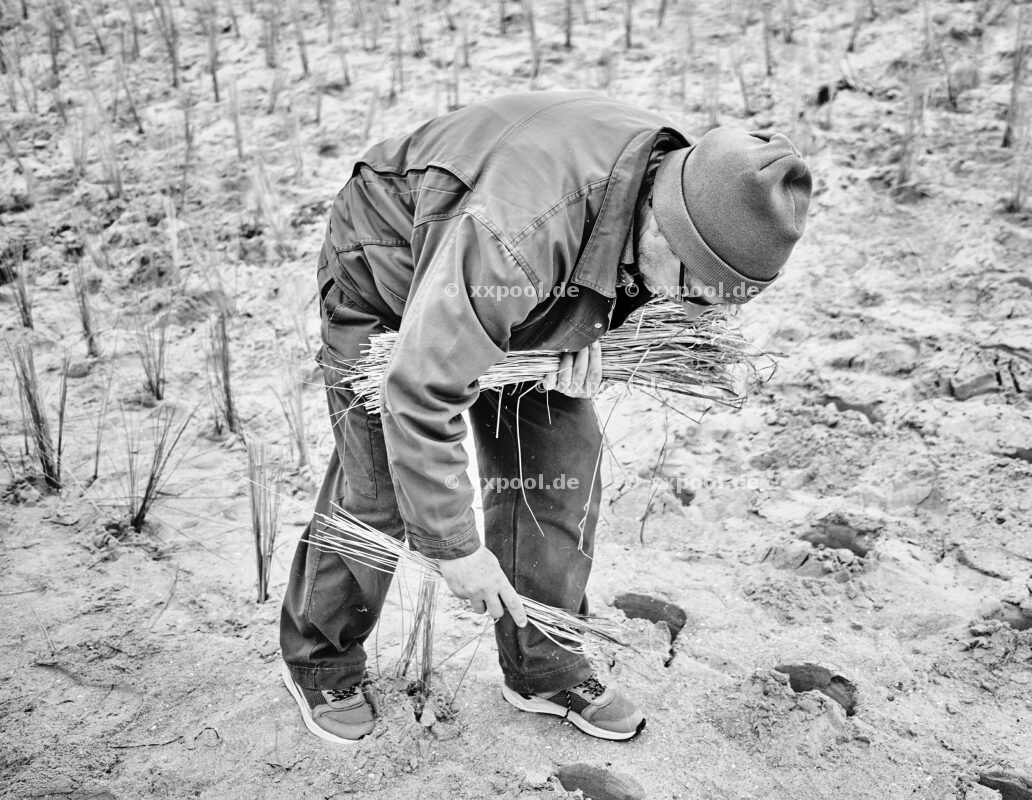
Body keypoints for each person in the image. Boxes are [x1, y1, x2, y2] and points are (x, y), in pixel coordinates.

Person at [279, 90, 812, 744]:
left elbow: (624, 268)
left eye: (708, 301)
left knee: (559, 463)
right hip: (391, 257)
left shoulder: (685, 179)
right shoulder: (519, 236)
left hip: (529, 284)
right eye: (687, 287)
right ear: (661, 216)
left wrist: (597, 327)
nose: (682, 307)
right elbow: (417, 390)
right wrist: (457, 549)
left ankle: (543, 666)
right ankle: (320, 657)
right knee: (381, 481)